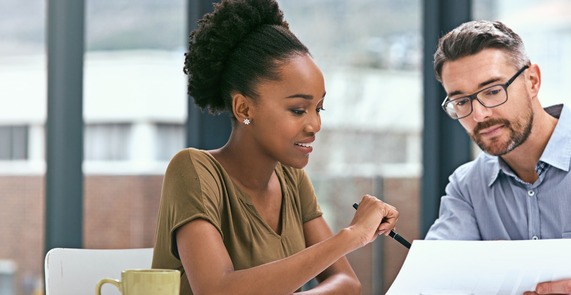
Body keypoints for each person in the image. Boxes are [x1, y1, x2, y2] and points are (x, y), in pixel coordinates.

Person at [151, 0, 400, 294]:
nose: (315, 125)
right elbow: (216, 289)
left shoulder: (291, 179)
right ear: (244, 108)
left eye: (319, 108)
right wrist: (351, 236)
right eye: (298, 110)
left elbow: (348, 284)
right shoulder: (193, 170)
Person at [424, 20, 571, 294]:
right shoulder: (467, 186)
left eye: (492, 91)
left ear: (532, 81)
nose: (479, 115)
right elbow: (436, 278)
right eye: (462, 101)